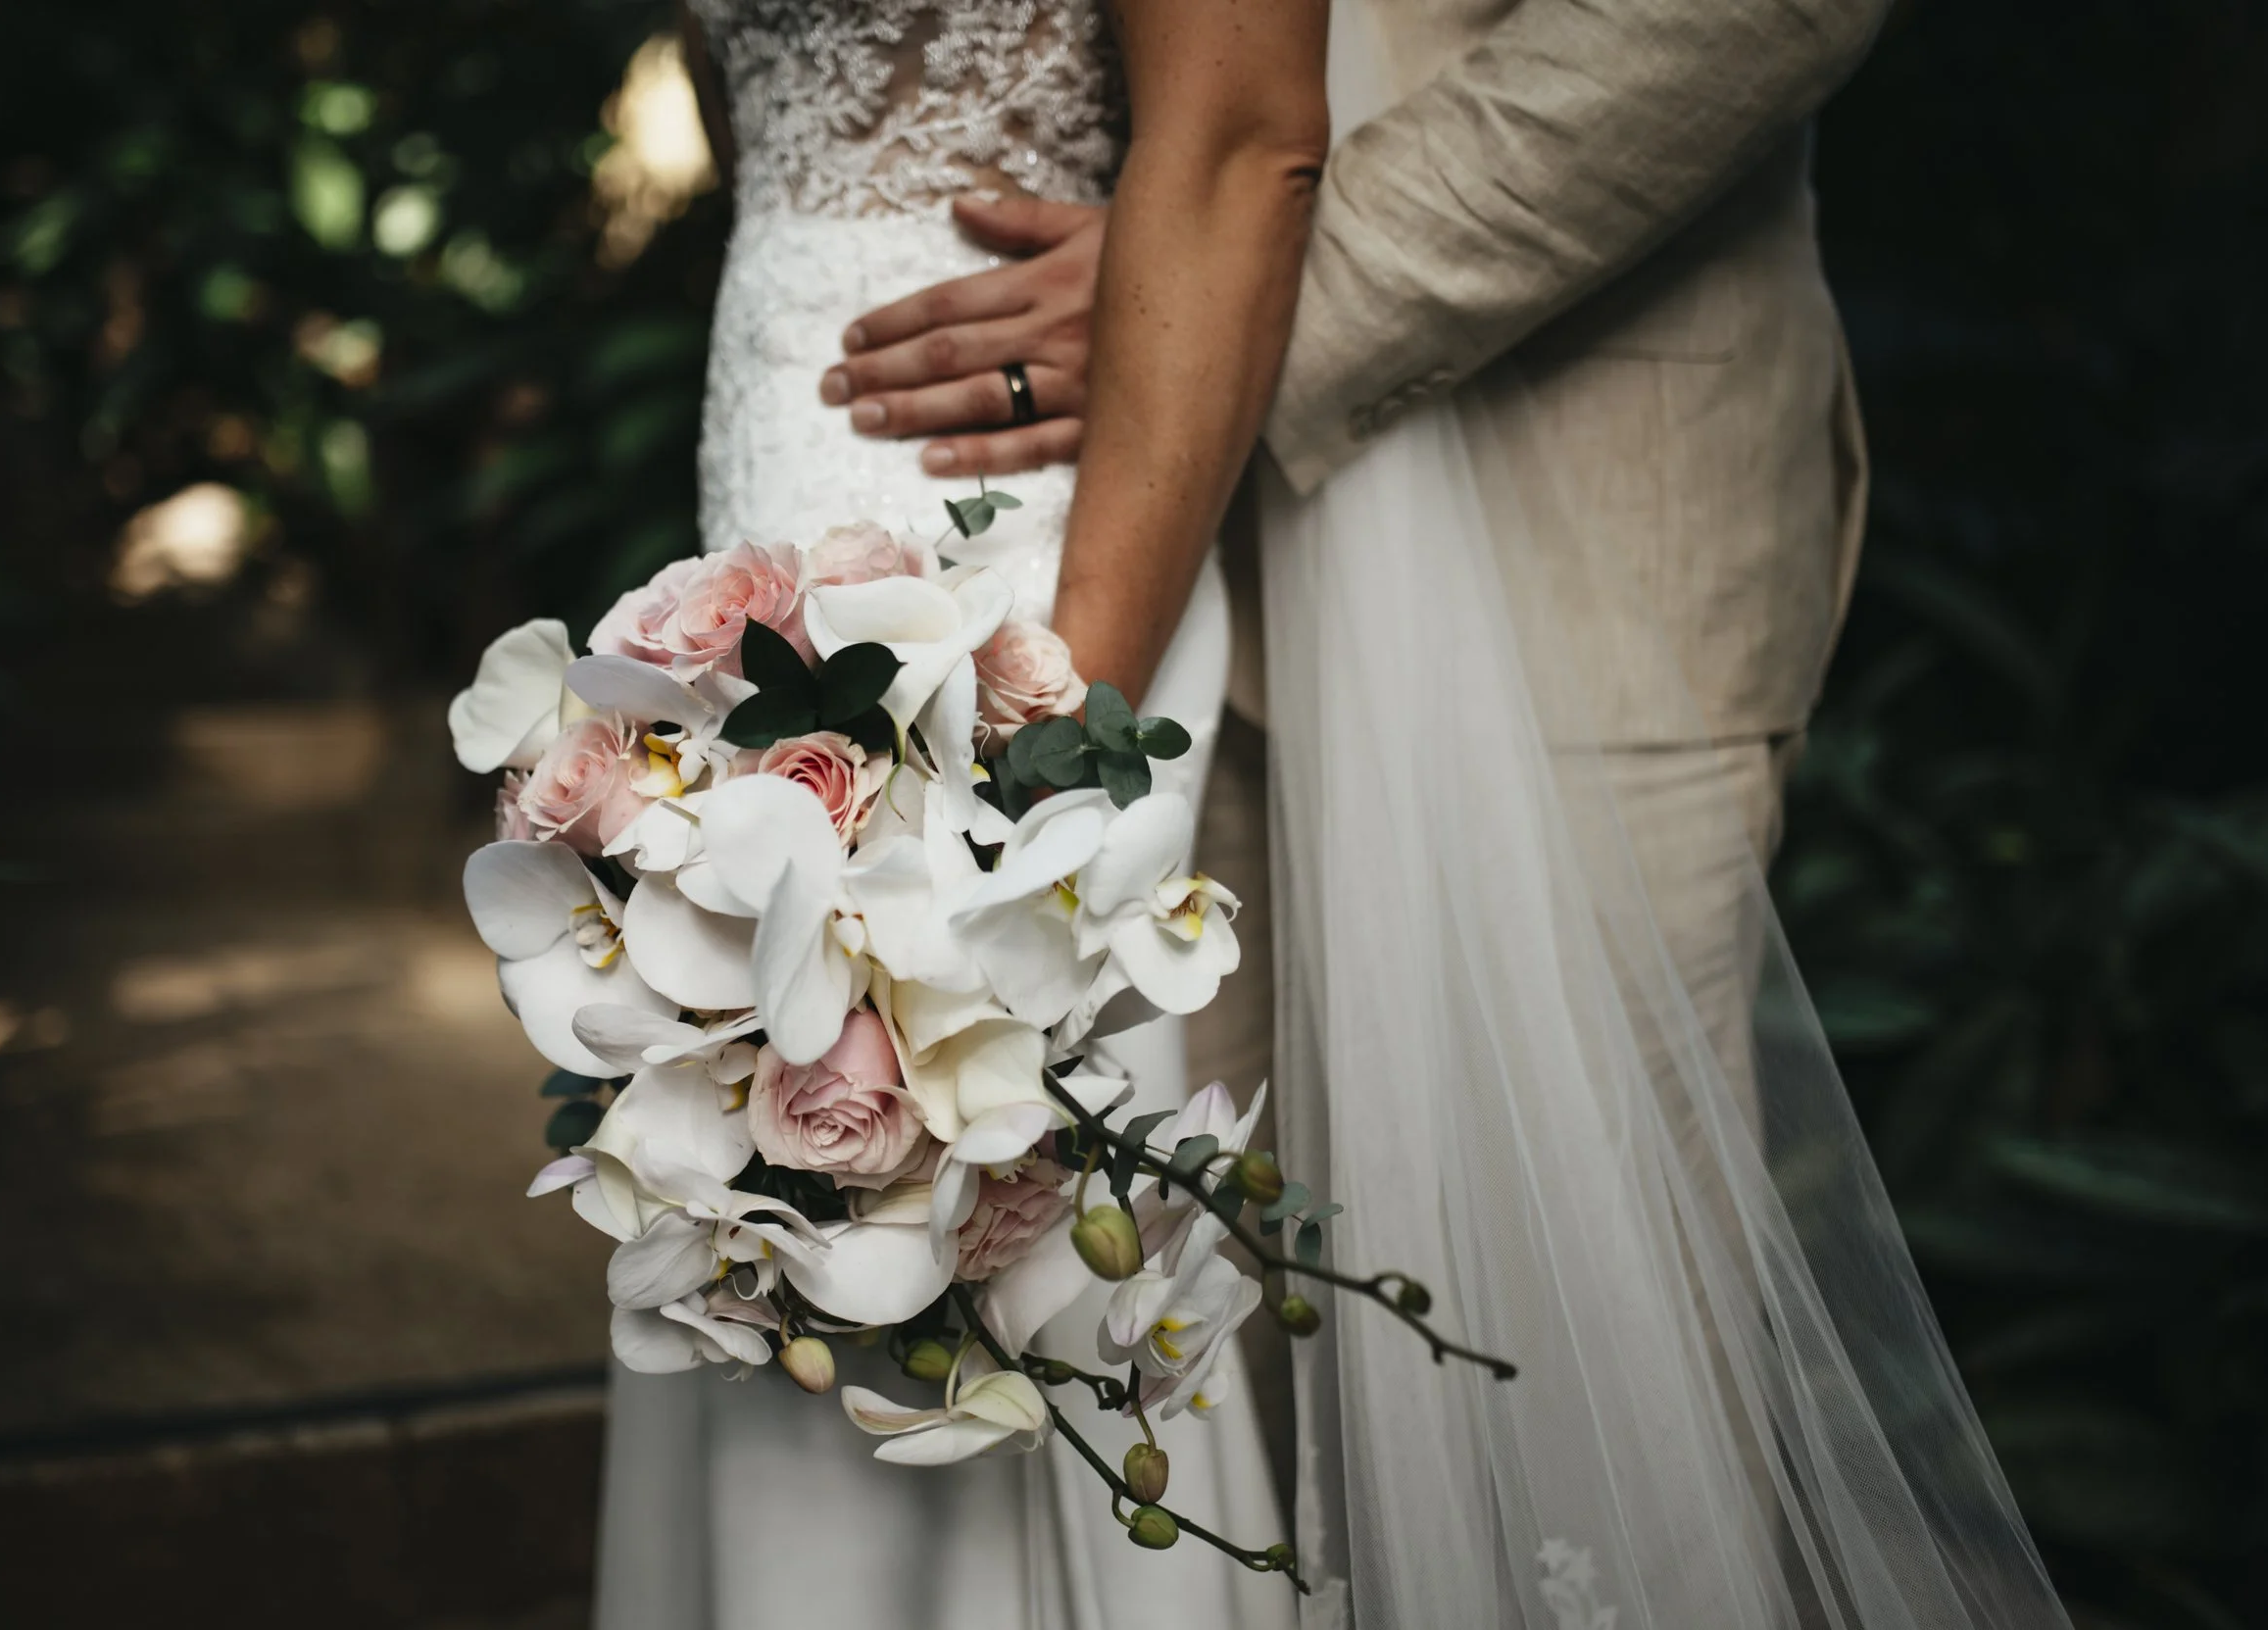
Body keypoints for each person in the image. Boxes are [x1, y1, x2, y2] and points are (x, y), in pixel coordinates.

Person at [822, 2, 2078, 1627]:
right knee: (1220, 1391)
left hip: (1571, 529)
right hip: (1134, 572)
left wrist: (1228, 289)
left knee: (1570, 1390)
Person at [591, 4, 1321, 1626]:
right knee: (754, 1173)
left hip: (1015, 567)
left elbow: (1244, 137)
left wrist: (1041, 753)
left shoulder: (1037, 694)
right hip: (763, 519)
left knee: (1007, 1196)